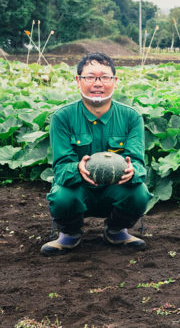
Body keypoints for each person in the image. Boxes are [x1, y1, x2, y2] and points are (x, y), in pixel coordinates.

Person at [41, 52, 152, 256]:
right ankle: (70, 233)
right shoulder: (62, 117)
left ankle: (116, 230)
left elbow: (138, 163)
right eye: (90, 77)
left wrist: (131, 171)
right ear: (78, 80)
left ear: (114, 81)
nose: (98, 83)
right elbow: (61, 168)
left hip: (115, 188)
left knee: (140, 193)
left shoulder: (131, 117)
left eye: (105, 77)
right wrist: (77, 167)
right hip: (79, 188)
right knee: (61, 197)